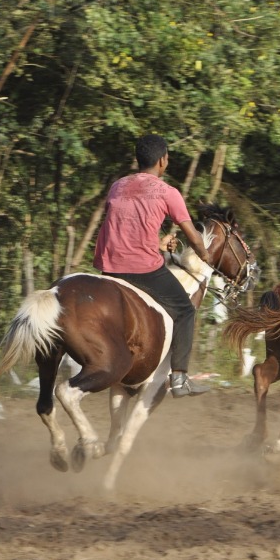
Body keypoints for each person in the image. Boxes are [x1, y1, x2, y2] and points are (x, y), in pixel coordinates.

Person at [93, 134, 214, 398]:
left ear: (138, 159)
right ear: (163, 160)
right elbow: (192, 235)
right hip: (143, 270)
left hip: (109, 269)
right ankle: (180, 378)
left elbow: (125, 229)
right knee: (184, 310)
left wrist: (159, 243)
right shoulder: (167, 192)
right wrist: (205, 254)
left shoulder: (117, 187)